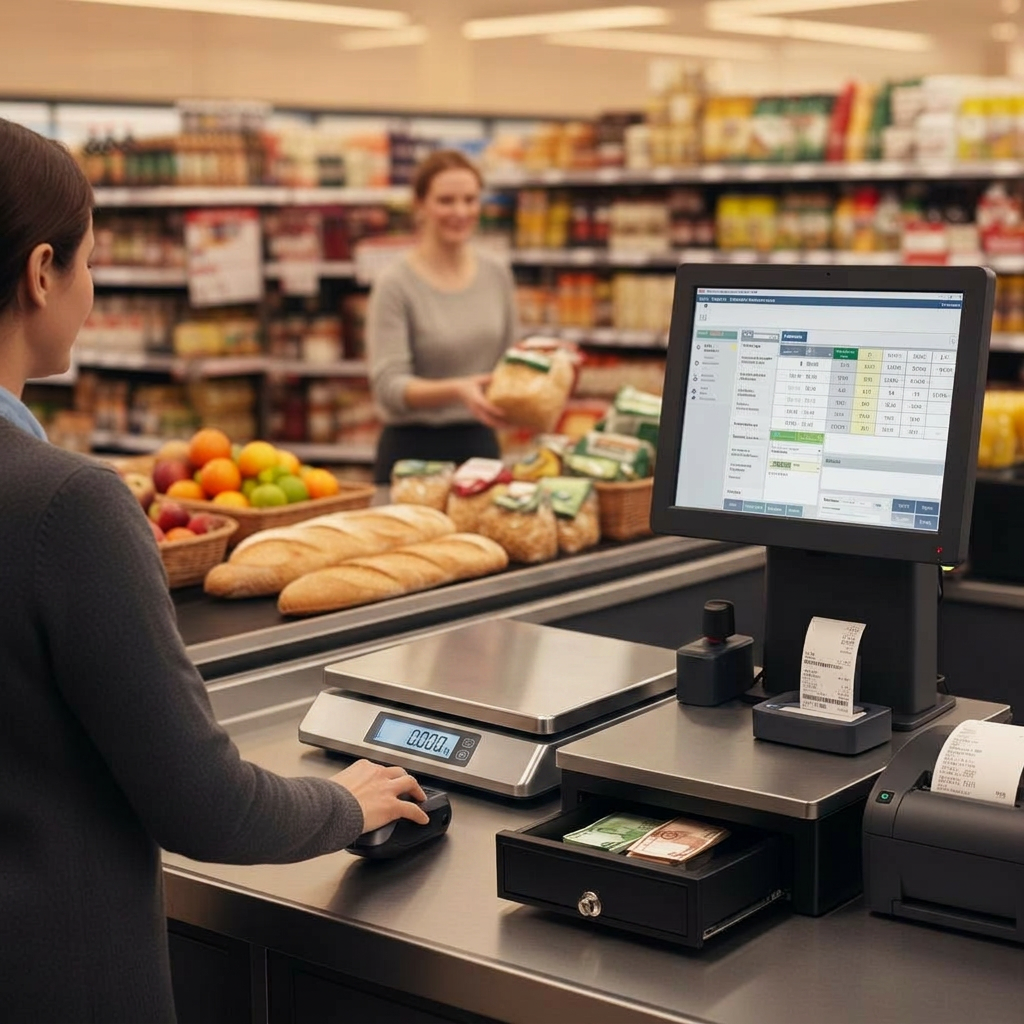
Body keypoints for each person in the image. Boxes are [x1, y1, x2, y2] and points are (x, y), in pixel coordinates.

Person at [0, 118, 430, 1024]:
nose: (91, 286)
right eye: (87, 261)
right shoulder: (63, 506)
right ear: (42, 272)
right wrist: (343, 804)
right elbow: (204, 806)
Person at [367, 148, 518, 483]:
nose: (460, 211)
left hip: (480, 447)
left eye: (470, 199)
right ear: (420, 205)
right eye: (446, 200)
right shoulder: (395, 283)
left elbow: (510, 360)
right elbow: (388, 387)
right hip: (412, 454)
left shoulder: (497, 273)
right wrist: (458, 389)